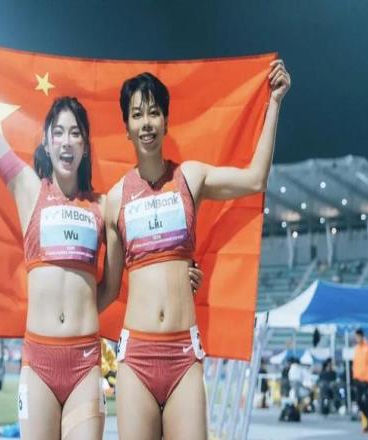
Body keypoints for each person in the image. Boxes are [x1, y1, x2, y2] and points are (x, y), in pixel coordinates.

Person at [0, 31, 203, 440]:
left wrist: (182, 270)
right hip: (38, 363)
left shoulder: (103, 205)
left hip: (86, 362)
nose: (67, 141)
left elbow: (141, 249)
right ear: (47, 143)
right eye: (58, 132)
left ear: (85, 146)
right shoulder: (27, 190)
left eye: (75, 133)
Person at [99, 63, 290, 439]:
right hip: (136, 357)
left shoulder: (191, 177)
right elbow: (108, 287)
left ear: (166, 121)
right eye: (137, 115)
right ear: (127, 127)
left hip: (183, 355)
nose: (147, 123)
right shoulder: (115, 199)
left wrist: (275, 103)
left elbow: (255, 178)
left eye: (154, 112)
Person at [353, 328, 368, 432]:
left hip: (367, 380)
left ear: (362, 336)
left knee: (367, 402)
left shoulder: (367, 348)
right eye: (355, 337)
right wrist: (354, 377)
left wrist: (367, 379)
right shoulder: (357, 349)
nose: (356, 339)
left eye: (357, 337)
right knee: (359, 401)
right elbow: (356, 365)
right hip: (358, 380)